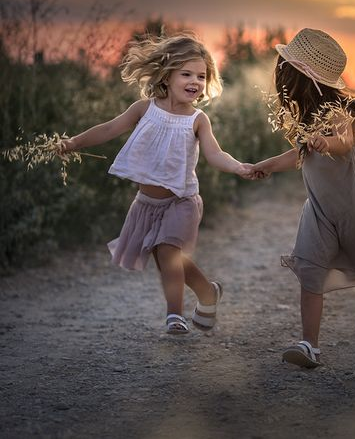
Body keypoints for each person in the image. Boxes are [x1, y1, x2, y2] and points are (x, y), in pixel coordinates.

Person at [59, 33, 253, 335]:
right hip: (147, 205)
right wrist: (73, 143)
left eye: (201, 76)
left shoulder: (198, 119)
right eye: (186, 74)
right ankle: (207, 292)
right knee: (168, 260)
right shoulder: (144, 108)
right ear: (166, 75)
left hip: (182, 201)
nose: (195, 81)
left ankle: (174, 315)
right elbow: (109, 128)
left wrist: (238, 167)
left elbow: (215, 154)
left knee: (168, 253)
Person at [252, 28, 355, 368]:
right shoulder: (306, 117)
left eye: (286, 69)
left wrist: (328, 143)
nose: (280, 74)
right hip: (320, 210)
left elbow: (345, 141)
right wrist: (266, 165)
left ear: (302, 77)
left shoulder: (342, 111)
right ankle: (308, 344)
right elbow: (298, 155)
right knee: (310, 268)